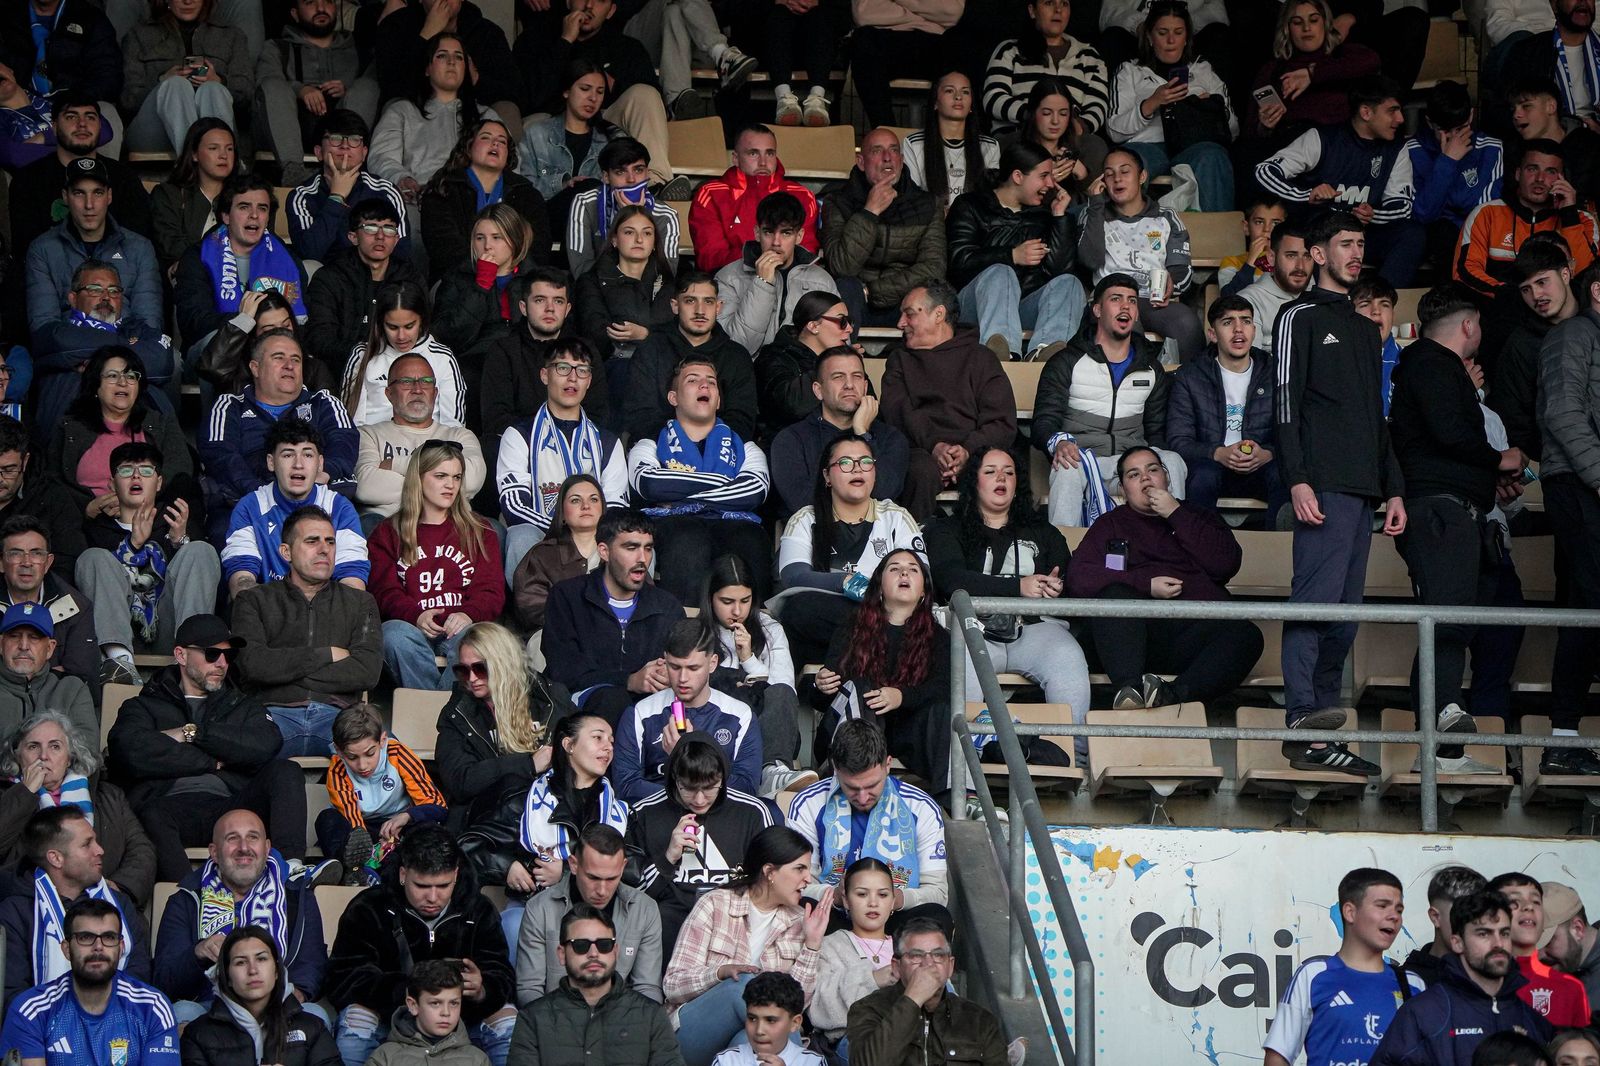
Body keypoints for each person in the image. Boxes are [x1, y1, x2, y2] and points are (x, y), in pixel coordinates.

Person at [1275, 211, 1405, 773]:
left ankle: (1322, 732)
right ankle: (1302, 717)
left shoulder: (1362, 326)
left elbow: (1377, 416)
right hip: (1321, 483)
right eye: (1345, 244)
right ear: (1319, 254)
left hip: (1363, 489)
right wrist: (1298, 477)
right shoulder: (1296, 315)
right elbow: (1284, 403)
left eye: (1361, 243)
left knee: (1344, 618)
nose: (1356, 253)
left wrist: (1393, 488)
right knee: (1315, 604)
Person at [1389, 286, 1525, 772]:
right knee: (1445, 617)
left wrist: (1490, 478)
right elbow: (1450, 433)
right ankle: (1441, 716)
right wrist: (1501, 458)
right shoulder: (1431, 362)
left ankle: (1442, 749)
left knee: (1451, 618)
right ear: (1469, 326)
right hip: (1440, 511)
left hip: (1453, 509)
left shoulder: (1435, 368)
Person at [105, 616, 308, 883]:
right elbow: (128, 750)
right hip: (168, 807)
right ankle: (188, 894)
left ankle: (289, 870)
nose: (222, 663)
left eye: (228, 655)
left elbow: (265, 745)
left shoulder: (241, 705)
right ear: (181, 655)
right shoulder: (144, 706)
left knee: (287, 770)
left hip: (233, 804)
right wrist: (214, 761)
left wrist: (192, 733)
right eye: (212, 654)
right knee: (152, 814)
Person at [1065, 446, 1265, 710]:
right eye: (1134, 475)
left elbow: (1225, 565)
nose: (1146, 478)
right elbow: (1078, 578)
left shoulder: (1196, 515)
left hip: (1190, 635)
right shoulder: (1110, 524)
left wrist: (1175, 513)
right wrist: (1145, 584)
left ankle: (1170, 696)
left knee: (1247, 634)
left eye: (1153, 470)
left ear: (1167, 478)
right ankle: (1130, 692)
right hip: (1130, 640)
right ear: (1123, 490)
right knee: (1115, 595)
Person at [926, 446, 1090, 743]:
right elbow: (951, 580)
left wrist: (1058, 586)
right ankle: (968, 763)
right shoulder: (948, 528)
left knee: (1068, 655)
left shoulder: (1043, 531)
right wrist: (1019, 587)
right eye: (990, 471)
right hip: (973, 630)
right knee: (962, 664)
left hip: (1032, 629)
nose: (1000, 477)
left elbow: (1067, 575)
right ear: (974, 482)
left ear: (1017, 485)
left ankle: (1071, 756)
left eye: (1009, 472)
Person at [326, 825, 516, 1066]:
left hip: (462, 1018)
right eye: (422, 886)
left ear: (456, 875)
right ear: (403, 874)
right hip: (391, 1017)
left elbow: (502, 975)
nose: (433, 898)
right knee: (356, 1020)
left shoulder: (478, 909)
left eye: (443, 886)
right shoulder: (369, 907)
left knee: (507, 1021)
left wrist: (482, 988)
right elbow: (344, 976)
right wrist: (411, 990)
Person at [664, 826, 832, 1066]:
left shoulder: (800, 922)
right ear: (769, 872)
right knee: (742, 985)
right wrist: (719, 973)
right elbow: (673, 986)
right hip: (691, 1036)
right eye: (799, 869)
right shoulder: (714, 904)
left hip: (753, 1042)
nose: (808, 879)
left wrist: (812, 945)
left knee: (748, 1041)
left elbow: (796, 1006)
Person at [1031, 273, 1187, 526]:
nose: (1126, 306)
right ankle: (1064, 553)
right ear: (1097, 310)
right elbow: (1043, 423)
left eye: (1132, 301)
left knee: (1172, 460)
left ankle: (1177, 544)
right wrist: (1058, 444)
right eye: (1116, 299)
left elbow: (1156, 432)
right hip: (1083, 462)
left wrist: (1149, 465)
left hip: (1131, 465)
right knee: (1066, 467)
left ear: (1137, 314)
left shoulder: (1151, 368)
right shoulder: (1066, 361)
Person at [25, 163, 170, 430]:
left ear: (110, 196)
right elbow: (45, 332)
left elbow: (151, 327)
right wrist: (108, 352)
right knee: (58, 381)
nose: (89, 204)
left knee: (170, 371)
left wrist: (103, 361)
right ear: (66, 197)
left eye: (98, 193)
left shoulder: (138, 247)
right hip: (71, 358)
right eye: (80, 193)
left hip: (121, 348)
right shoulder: (43, 248)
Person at [232, 505, 383, 758]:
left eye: (330, 542)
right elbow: (253, 665)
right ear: (286, 552)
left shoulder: (360, 602)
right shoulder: (252, 600)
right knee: (230, 757)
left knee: (392, 756)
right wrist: (326, 655)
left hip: (340, 720)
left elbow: (367, 672)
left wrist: (282, 669)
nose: (324, 549)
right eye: (312, 541)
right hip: (272, 716)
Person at [151, 809, 327, 1023]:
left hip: (279, 1006)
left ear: (267, 848)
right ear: (214, 852)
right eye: (232, 839)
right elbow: (164, 979)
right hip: (211, 1009)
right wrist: (197, 954)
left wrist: (291, 998)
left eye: (253, 837)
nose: (244, 848)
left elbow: (312, 963)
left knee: (315, 1015)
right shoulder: (186, 899)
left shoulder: (297, 897)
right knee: (182, 1013)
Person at [433, 622, 575, 885]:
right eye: (463, 670)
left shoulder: (550, 698)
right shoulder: (458, 713)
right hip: (488, 828)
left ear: (503, 662)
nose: (472, 678)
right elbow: (461, 781)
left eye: (480, 668)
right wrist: (527, 764)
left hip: (548, 820)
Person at [770, 434, 925, 668]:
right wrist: (846, 582)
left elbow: (921, 575)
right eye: (845, 463)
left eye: (865, 462)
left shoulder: (897, 518)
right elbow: (794, 576)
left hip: (886, 614)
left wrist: (875, 596)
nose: (857, 470)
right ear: (826, 476)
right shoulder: (805, 519)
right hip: (828, 621)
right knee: (801, 608)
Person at [1255, 77, 1425, 287]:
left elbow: (1402, 206)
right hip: (1320, 236)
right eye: (1392, 111)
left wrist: (1373, 215)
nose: (1400, 119)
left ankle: (1381, 301)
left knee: (1412, 234)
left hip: (1364, 236)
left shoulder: (1396, 149)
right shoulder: (1323, 138)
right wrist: (1306, 194)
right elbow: (1265, 171)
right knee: (1310, 240)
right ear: (1366, 112)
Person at [627, 357, 772, 602]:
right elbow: (648, 484)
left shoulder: (746, 447)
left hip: (732, 523)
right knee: (689, 537)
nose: (704, 386)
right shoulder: (648, 443)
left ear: (718, 400)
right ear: (673, 398)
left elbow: (754, 491)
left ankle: (753, 634)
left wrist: (677, 495)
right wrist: (726, 482)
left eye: (711, 382)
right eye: (693, 380)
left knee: (751, 538)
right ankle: (686, 634)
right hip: (674, 527)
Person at [73, 442, 217, 678]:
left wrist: (179, 541)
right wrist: (132, 545)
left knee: (200, 550)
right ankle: (119, 662)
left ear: (159, 482)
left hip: (170, 632)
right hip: (117, 631)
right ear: (111, 484)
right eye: (126, 470)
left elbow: (197, 572)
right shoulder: (96, 530)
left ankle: (192, 658)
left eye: (147, 470)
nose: (137, 476)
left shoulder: (176, 522)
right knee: (93, 557)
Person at [201, 330, 357, 543]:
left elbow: (345, 443)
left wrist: (324, 473)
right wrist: (264, 495)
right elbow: (221, 456)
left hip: (317, 503)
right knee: (222, 532)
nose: (289, 365)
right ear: (255, 368)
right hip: (247, 505)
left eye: (296, 359)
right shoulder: (230, 406)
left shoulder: (324, 402)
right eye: (278, 358)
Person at [369, 441, 503, 690]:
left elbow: (491, 590)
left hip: (463, 627)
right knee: (393, 635)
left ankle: (439, 719)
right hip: (411, 628)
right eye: (440, 476)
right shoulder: (388, 532)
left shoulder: (480, 530)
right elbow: (383, 592)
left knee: (478, 640)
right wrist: (415, 615)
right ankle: (441, 718)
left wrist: (467, 614)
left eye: (456, 477)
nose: (450, 485)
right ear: (418, 479)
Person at [815, 551, 951, 792]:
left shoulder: (938, 637)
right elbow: (827, 695)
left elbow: (941, 689)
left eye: (913, 569)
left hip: (906, 734)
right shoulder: (853, 626)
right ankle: (851, 780)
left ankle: (952, 797)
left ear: (923, 591)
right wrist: (820, 684)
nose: (904, 573)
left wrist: (901, 696)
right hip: (853, 728)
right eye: (894, 568)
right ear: (879, 586)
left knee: (944, 709)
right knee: (861, 687)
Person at [1537, 259, 1600, 774]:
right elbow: (1562, 411)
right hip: (1578, 486)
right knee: (1589, 604)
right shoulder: (1574, 335)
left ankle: (1564, 738)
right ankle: (1561, 737)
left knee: (1588, 605)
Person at [787, 719, 946, 923]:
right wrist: (836, 895)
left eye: (872, 785)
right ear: (835, 768)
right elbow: (796, 886)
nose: (862, 798)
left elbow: (938, 893)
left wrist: (896, 898)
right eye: (852, 788)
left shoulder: (921, 807)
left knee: (936, 915)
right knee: (802, 909)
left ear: (888, 765)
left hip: (897, 915)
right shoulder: (808, 804)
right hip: (834, 912)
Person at [627, 734, 773, 955]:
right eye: (688, 788)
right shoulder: (645, 812)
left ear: (723, 778)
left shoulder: (752, 812)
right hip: (668, 927)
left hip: (735, 923)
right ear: (674, 779)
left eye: (710, 787)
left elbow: (772, 880)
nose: (699, 799)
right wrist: (668, 857)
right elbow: (632, 896)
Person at [1373, 890, 1555, 1065]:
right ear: (1457, 943)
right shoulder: (1423, 1014)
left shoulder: (1530, 1017)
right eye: (1484, 934)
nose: (1498, 943)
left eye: (1504, 933)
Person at [1265, 869, 1426, 1066]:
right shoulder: (1313, 975)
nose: (1394, 916)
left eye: (1399, 910)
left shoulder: (1413, 984)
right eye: (1382, 906)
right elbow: (1277, 1057)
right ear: (1350, 912)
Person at [45, 347, 193, 555]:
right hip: (88, 527)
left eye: (131, 376)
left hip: (151, 523)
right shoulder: (71, 427)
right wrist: (86, 507)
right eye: (113, 376)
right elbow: (52, 480)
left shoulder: (160, 423)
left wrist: (137, 502)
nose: (123, 382)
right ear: (96, 384)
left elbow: (180, 470)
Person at [514, 0, 675, 191]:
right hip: (554, 118)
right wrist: (565, 42)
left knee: (646, 94)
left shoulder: (626, 47)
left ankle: (653, 185)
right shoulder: (535, 39)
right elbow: (528, 98)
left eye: (599, 0)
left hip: (607, 120)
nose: (589, 5)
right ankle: (534, 196)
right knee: (531, 124)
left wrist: (610, 85)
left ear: (611, 11)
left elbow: (652, 102)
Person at [945, 141, 1084, 362]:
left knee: (1071, 283)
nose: (1051, 182)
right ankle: (1002, 354)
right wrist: (1011, 255)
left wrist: (1059, 218)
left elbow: (1059, 273)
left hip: (1023, 310)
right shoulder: (971, 205)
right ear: (1018, 176)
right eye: (1044, 175)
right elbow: (958, 263)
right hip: (974, 307)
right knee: (1001, 272)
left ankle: (1046, 354)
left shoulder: (1042, 215)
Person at [541, 510, 685, 723]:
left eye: (648, 548)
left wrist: (666, 673)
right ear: (604, 551)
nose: (642, 559)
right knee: (612, 699)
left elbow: (686, 658)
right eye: (631, 548)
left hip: (653, 702)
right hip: (585, 704)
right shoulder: (567, 596)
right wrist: (628, 680)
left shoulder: (667, 605)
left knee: (683, 704)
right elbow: (563, 670)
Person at [497, 341, 625, 579]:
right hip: (542, 537)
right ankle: (533, 614)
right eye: (563, 368)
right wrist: (566, 532)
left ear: (589, 380)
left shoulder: (607, 442)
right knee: (520, 535)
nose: (573, 378)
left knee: (633, 542)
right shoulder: (519, 435)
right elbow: (514, 506)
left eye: (582, 370)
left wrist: (586, 534)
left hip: (595, 538)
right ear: (545, 375)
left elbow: (616, 507)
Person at [0, 712, 154, 909]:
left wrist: (121, 887)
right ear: (17, 755)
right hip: (28, 907)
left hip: (100, 905)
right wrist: (25, 792)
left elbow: (141, 849)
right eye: (33, 747)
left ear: (69, 758)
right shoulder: (7, 797)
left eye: (55, 746)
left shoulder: (106, 795)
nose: (44, 756)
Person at [0, 808, 153, 1004]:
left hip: (118, 1028)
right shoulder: (15, 912)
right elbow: (13, 995)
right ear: (56, 858)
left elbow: (139, 976)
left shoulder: (119, 903)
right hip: (41, 1031)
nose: (100, 850)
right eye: (87, 844)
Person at [0, 898, 175, 1066]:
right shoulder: (32, 1010)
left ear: (121, 948)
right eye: (85, 937)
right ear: (66, 949)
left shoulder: (152, 1008)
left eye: (108, 937)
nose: (98, 946)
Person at [882, 281, 1018, 494]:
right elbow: (897, 412)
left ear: (938, 314)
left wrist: (967, 451)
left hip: (975, 452)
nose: (900, 323)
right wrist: (935, 446)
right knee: (919, 470)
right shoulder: (899, 359)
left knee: (995, 470)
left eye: (909, 314)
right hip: (922, 452)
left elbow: (1001, 421)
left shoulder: (980, 358)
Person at [508, 902, 683, 1066]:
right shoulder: (532, 1019)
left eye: (604, 945)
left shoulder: (651, 1016)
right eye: (581, 945)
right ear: (561, 954)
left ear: (615, 951)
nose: (593, 953)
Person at [613, 619, 763, 805]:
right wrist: (683, 796)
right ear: (665, 660)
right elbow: (625, 785)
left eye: (693, 668)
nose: (683, 678)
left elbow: (747, 787)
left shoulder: (740, 715)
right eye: (675, 667)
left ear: (712, 663)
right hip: (656, 816)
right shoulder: (640, 713)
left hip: (720, 819)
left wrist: (685, 755)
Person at [1106, 0, 1237, 212]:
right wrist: (1151, 103)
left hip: (1193, 145)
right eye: (1162, 32)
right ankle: (1123, 236)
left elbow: (1233, 131)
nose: (1170, 40)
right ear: (1149, 36)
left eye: (1178, 32)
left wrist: (1208, 109)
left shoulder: (1203, 70)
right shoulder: (1130, 70)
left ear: (1187, 37)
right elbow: (1114, 131)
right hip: (1147, 146)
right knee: (1125, 162)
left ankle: (1218, 239)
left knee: (1214, 155)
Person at [513, 820, 663, 1004]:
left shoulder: (645, 909)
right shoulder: (539, 909)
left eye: (611, 878)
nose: (602, 890)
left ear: (623, 866)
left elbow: (647, 988)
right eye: (593, 877)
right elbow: (529, 989)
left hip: (621, 1025)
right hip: (557, 1021)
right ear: (574, 865)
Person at [1079, 148, 1204, 360]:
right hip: (1112, 300)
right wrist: (1096, 205)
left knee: (1187, 322)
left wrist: (1172, 282)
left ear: (1142, 176)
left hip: (1153, 300)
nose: (1117, 179)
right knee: (1125, 325)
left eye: (1125, 171)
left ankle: (1189, 388)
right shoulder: (1093, 213)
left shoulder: (1166, 216)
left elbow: (1181, 267)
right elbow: (1091, 260)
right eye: (1109, 174)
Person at [1168, 296, 1287, 517]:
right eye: (1228, 322)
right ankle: (1203, 549)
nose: (1239, 330)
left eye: (1246, 321)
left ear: (1254, 330)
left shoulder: (1275, 373)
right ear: (1212, 334)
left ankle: (1280, 548)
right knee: (1202, 476)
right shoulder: (1190, 376)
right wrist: (1217, 453)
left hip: (1261, 466)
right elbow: (1178, 441)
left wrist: (1268, 454)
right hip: (1212, 466)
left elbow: (1293, 433)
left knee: (1284, 474)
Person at [221, 419, 368, 597]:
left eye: (307, 455)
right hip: (267, 611)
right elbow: (241, 577)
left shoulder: (339, 507)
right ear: (271, 462)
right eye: (288, 455)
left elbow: (352, 578)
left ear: (320, 463)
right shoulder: (251, 506)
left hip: (326, 614)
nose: (298, 464)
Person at [176, 177, 310, 372]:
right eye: (244, 207)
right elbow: (193, 322)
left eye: (262, 208)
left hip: (279, 345)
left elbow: (303, 319)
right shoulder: (198, 257)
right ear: (226, 216)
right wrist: (245, 321)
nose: (254, 215)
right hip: (215, 350)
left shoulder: (288, 259)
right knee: (218, 346)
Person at [769, 347, 919, 520]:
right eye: (838, 377)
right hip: (815, 539)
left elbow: (885, 492)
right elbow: (803, 504)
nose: (849, 384)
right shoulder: (791, 439)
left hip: (876, 540)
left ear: (865, 387)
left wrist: (862, 433)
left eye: (856, 376)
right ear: (818, 390)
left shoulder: (890, 437)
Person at [702, 557, 810, 793]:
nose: (737, 611)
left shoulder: (770, 629)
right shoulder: (699, 633)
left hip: (766, 732)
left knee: (781, 692)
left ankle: (772, 770)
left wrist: (749, 659)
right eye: (727, 601)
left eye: (745, 601)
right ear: (710, 599)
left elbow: (783, 689)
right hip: (714, 728)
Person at [823, 129, 947, 328]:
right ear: (861, 162)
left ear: (902, 159)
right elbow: (842, 266)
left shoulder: (927, 204)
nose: (888, 158)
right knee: (846, 286)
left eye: (893, 150)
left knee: (938, 296)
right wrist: (869, 212)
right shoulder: (838, 201)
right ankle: (844, 356)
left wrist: (872, 291)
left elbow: (933, 268)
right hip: (855, 301)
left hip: (905, 301)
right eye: (877, 151)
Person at [6, 94, 153, 259]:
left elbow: (137, 242)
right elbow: (28, 248)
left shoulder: (123, 176)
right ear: (54, 128)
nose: (82, 124)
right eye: (71, 117)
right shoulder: (28, 179)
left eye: (90, 117)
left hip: (116, 274)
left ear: (99, 127)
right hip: (52, 274)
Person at [845, 918, 1007, 1066]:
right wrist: (913, 999)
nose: (928, 964)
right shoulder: (868, 1009)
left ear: (950, 966)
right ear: (896, 967)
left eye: (938, 955)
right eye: (916, 955)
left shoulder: (978, 1019)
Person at [368, 34, 503, 208]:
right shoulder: (401, 111)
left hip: (478, 202)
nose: (451, 62)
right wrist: (401, 178)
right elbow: (382, 158)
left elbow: (509, 164)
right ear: (427, 68)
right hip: (420, 201)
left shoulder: (487, 117)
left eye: (458, 57)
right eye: (442, 55)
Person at [625, 273, 759, 444]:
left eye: (708, 302)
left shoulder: (737, 356)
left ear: (718, 307)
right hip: (659, 450)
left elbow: (741, 420)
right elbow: (640, 415)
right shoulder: (651, 348)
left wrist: (706, 448)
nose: (700, 311)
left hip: (720, 455)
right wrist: (681, 447)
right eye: (690, 301)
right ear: (675, 306)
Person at [1455, 140, 1599, 299]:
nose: (1540, 178)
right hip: (1501, 309)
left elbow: (1588, 279)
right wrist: (1511, 297)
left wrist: (1569, 215)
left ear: (1563, 178)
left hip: (1562, 316)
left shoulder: (1582, 219)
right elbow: (1464, 271)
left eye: (1550, 171)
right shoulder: (1486, 213)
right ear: (1518, 173)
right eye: (1532, 169)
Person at [480, 269, 610, 444]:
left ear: (567, 309)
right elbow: (496, 418)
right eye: (540, 300)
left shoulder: (586, 351)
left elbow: (597, 413)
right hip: (521, 447)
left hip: (577, 446)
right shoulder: (503, 351)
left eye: (558, 301)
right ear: (523, 307)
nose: (550, 308)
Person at [255, 0, 378, 184]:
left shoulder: (360, 51)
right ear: (295, 13)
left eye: (327, 1)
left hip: (341, 125)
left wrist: (347, 89)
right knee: (273, 85)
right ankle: (293, 171)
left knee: (367, 87)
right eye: (310, 2)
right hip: (289, 131)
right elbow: (264, 82)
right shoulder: (277, 47)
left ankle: (346, 168)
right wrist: (300, 90)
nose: (320, 8)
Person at [179, 925, 339, 1065]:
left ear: (277, 971)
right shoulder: (198, 1035)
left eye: (261, 959)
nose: (253, 970)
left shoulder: (312, 1028)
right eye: (241, 962)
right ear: (227, 977)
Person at [320, 703, 446, 881]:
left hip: (400, 824)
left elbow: (437, 806)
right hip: (363, 829)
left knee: (427, 827)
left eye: (370, 754)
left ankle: (391, 872)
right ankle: (352, 871)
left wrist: (407, 816)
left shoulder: (398, 754)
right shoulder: (338, 769)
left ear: (382, 741)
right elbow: (353, 821)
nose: (362, 765)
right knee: (328, 819)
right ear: (339, 752)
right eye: (352, 757)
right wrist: (366, 843)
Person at [355, 352, 485, 522]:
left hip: (450, 529)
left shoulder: (460, 436)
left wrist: (395, 464)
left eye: (426, 381)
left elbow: (473, 480)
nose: (417, 389)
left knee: (492, 530)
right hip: (390, 527)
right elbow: (366, 488)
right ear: (389, 393)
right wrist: (442, 482)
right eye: (406, 382)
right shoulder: (368, 434)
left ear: (435, 392)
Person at [420, 117, 550, 284]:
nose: (495, 144)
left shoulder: (527, 194)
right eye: (486, 138)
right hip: (456, 281)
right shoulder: (443, 189)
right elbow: (443, 248)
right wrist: (483, 273)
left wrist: (507, 275)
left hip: (515, 282)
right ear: (468, 147)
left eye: (502, 141)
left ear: (508, 153)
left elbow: (538, 248)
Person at [308, 207, 429, 378]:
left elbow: (424, 330)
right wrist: (370, 354)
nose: (380, 236)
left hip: (401, 370)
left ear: (396, 239)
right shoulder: (330, 278)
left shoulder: (410, 277)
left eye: (388, 228)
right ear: (353, 237)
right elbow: (319, 340)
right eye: (370, 228)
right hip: (342, 371)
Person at [714, 192, 838, 356]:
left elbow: (835, 344)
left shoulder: (821, 281)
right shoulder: (728, 278)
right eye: (769, 232)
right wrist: (762, 284)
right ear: (757, 233)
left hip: (803, 375)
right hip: (750, 375)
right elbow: (737, 349)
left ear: (799, 236)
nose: (776, 242)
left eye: (786, 233)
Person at [120, 0, 251, 154]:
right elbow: (127, 101)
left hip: (213, 119)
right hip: (153, 131)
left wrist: (220, 81)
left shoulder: (231, 35)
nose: (187, 1)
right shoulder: (139, 35)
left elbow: (247, 96)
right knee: (175, 85)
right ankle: (191, 166)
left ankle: (213, 163)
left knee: (213, 88)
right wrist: (161, 82)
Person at [432, 204, 535, 397]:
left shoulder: (535, 278)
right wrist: (481, 285)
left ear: (514, 240)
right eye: (480, 238)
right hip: (475, 361)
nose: (487, 246)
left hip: (525, 358)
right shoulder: (457, 277)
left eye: (497, 237)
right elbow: (446, 335)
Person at [1244, 0, 1380, 147]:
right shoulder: (1272, 70)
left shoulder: (1342, 57)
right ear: (1287, 28)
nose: (1306, 28)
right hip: (1292, 145)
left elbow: (1372, 61)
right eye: (1297, 22)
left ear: (1325, 23)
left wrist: (1313, 73)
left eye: (1314, 20)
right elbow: (1249, 133)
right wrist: (1264, 126)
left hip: (1340, 143)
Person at [690, 125, 821, 274]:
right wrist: (762, 262)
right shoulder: (711, 194)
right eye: (753, 154)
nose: (763, 162)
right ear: (735, 158)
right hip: (729, 282)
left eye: (770, 154)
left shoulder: (802, 196)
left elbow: (806, 255)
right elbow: (710, 259)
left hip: (789, 282)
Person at [285, 111, 411, 263]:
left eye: (354, 140)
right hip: (326, 280)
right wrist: (336, 198)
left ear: (364, 153)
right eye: (335, 138)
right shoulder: (302, 196)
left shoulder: (386, 191)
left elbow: (401, 253)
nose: (345, 146)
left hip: (376, 280)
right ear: (318, 152)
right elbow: (309, 254)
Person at [1405, 80, 1505, 265]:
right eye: (1444, 131)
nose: (1453, 138)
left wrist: (1447, 206)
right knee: (1442, 230)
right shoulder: (1412, 150)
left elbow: (1484, 215)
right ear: (1429, 122)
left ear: (1471, 116)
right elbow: (1423, 216)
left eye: (1460, 129)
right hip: (1436, 239)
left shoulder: (1491, 148)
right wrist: (1447, 162)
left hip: (1476, 240)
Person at [339, 281, 463, 430]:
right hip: (374, 446)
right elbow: (351, 424)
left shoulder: (443, 358)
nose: (401, 336)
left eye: (409, 326)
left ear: (422, 320)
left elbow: (454, 427)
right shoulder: (362, 355)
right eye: (392, 327)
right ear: (380, 323)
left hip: (429, 448)